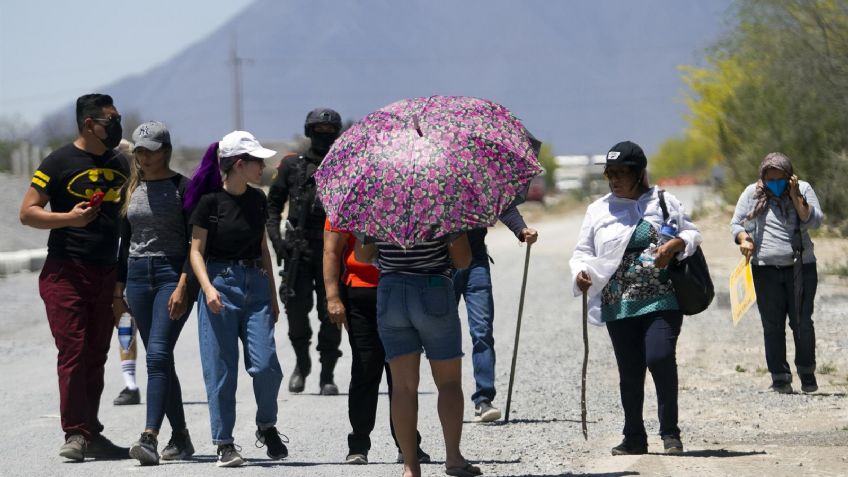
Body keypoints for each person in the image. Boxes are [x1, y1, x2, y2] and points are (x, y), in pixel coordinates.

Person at [569, 141, 702, 456]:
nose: (615, 180)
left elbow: (692, 234)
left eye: (622, 173)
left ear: (639, 174)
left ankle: (670, 433)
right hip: (619, 305)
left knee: (658, 358)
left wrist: (673, 245)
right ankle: (634, 437)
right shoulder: (599, 210)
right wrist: (580, 273)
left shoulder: (661, 202)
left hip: (662, 298)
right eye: (610, 174)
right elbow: (582, 253)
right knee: (630, 372)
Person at [19, 93, 130, 461]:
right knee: (74, 351)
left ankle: (90, 431)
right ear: (89, 124)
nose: (116, 126)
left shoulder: (121, 161)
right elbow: (28, 213)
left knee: (96, 353)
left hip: (106, 271)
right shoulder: (58, 161)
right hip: (66, 271)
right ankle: (75, 433)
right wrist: (69, 219)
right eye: (110, 120)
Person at [185, 131, 287, 467]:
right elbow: (196, 252)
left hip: (255, 285)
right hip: (219, 285)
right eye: (258, 161)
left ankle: (266, 424)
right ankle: (224, 443)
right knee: (221, 370)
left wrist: (272, 295)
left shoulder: (258, 200)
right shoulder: (209, 204)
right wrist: (208, 289)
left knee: (267, 365)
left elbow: (262, 248)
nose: (264, 166)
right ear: (239, 165)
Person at [355, 234, 482, 477]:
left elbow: (361, 256)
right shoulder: (441, 199)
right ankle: (453, 458)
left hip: (391, 291)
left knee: (402, 387)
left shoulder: (377, 202)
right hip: (433, 287)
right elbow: (463, 259)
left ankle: (410, 466)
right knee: (449, 382)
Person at [113, 122, 196, 465]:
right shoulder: (130, 189)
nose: (143, 156)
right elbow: (123, 244)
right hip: (136, 277)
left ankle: (149, 436)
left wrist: (182, 284)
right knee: (160, 358)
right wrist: (118, 289)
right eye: (139, 150)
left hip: (170, 276)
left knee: (158, 355)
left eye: (150, 149)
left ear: (165, 150)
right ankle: (181, 437)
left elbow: (195, 244)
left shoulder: (183, 188)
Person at [323, 220, 430, 465]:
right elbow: (331, 250)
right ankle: (358, 444)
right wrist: (332, 297)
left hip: (403, 288)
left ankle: (408, 444)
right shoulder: (347, 200)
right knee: (365, 368)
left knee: (403, 372)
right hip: (361, 294)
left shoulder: (406, 193)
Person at [730, 152, 823, 394]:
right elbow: (737, 224)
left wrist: (794, 197)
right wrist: (744, 239)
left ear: (789, 176)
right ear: (763, 176)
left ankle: (807, 372)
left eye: (780, 178)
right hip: (765, 269)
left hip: (800, 267)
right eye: (770, 179)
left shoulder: (802, 189)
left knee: (802, 322)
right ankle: (780, 377)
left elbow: (814, 221)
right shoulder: (753, 194)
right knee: (772, 325)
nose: (775, 183)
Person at [267, 107, 343, 395]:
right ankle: (302, 364)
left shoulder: (344, 166)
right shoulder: (291, 166)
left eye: (329, 132)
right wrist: (278, 243)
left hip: (332, 252)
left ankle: (327, 373)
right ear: (309, 132)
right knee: (297, 312)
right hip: (297, 252)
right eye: (318, 132)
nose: (324, 137)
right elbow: (272, 207)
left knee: (331, 313)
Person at [455, 202, 538, 423]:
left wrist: (521, 230)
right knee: (443, 338)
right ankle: (448, 400)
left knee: (482, 330)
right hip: (442, 264)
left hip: (476, 262)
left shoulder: (478, 174)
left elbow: (503, 204)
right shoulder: (430, 175)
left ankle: (483, 399)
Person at [113, 138, 141, 406]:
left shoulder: (141, 189)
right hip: (118, 262)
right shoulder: (112, 190)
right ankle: (130, 383)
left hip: (138, 263)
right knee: (124, 322)